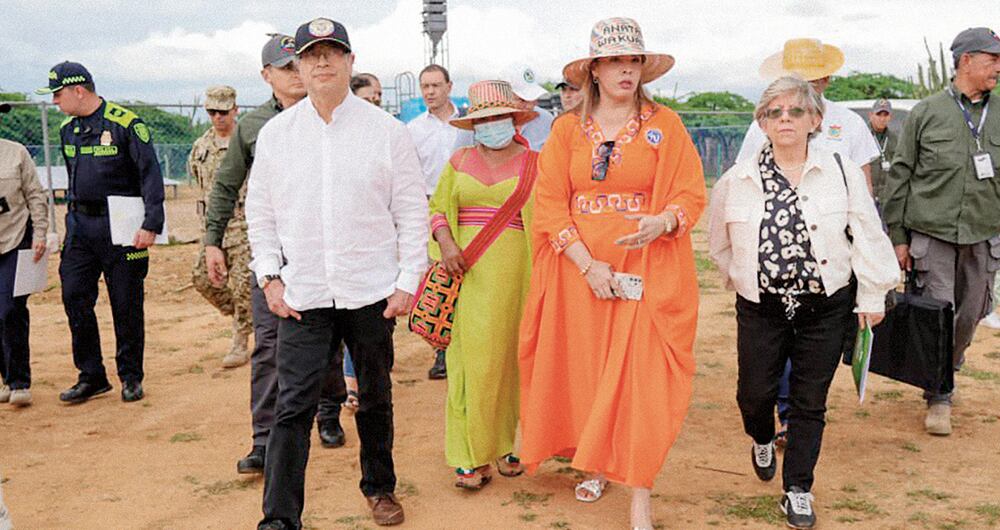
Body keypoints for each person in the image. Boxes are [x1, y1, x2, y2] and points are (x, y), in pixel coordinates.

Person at [518, 18, 706, 530]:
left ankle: (640, 493)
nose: (626, 70)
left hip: (646, 270)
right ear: (595, 70)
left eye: (633, 61)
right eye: (615, 61)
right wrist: (587, 265)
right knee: (590, 374)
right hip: (579, 274)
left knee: (641, 378)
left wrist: (664, 221)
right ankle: (597, 462)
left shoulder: (666, 125)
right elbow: (550, 204)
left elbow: (690, 192)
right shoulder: (565, 130)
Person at [246, 18, 427, 528]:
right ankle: (280, 517)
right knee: (292, 407)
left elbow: (411, 211)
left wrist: (407, 281)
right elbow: (261, 213)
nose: (321, 62)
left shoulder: (386, 133)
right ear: (299, 66)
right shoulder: (278, 135)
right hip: (302, 294)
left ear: (350, 61)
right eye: (311, 55)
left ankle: (380, 487)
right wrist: (269, 276)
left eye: (332, 52)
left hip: (370, 290)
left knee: (374, 397)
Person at [709, 75, 897, 529]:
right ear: (763, 123)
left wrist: (872, 294)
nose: (786, 119)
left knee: (810, 401)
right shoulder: (737, 180)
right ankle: (761, 437)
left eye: (796, 111)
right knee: (754, 394)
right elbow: (720, 245)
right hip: (762, 307)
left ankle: (798, 488)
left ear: (815, 119)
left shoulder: (840, 171)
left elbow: (867, 234)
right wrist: (744, 280)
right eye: (775, 113)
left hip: (825, 306)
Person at [203, 34, 349, 475]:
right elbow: (226, 185)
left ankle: (328, 412)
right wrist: (212, 240)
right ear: (267, 75)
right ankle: (263, 439)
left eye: (297, 64)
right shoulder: (253, 127)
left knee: (327, 340)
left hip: (324, 252)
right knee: (268, 345)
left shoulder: (338, 116)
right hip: (271, 255)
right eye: (285, 67)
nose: (295, 73)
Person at [736, 38, 882, 443]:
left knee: (813, 351)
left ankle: (798, 415)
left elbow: (864, 187)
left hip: (831, 260)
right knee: (771, 353)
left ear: (827, 80)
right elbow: (742, 182)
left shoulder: (850, 124)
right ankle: (782, 414)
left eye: (811, 80)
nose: (802, 87)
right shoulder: (767, 120)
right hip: (775, 265)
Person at [883, 27, 1000, 436]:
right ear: (966, 60)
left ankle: (947, 369)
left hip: (984, 232)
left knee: (972, 312)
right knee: (938, 313)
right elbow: (900, 175)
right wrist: (898, 237)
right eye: (992, 59)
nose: (998, 68)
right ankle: (939, 394)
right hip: (931, 233)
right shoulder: (926, 112)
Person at [428, 80, 538, 489]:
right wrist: (446, 243)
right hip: (466, 275)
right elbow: (437, 209)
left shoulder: (536, 164)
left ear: (513, 119)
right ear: (473, 125)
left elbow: (548, 221)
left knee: (510, 362)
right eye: (484, 120)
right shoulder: (458, 161)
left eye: (499, 117)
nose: (492, 125)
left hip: (518, 277)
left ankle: (505, 445)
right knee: (468, 364)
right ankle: (469, 455)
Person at [37, 61, 164, 404]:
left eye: (58, 94)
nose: (54, 101)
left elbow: (150, 175)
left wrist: (151, 223)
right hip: (80, 227)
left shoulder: (125, 124)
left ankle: (131, 376)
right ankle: (91, 375)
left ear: (79, 90)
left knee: (126, 302)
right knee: (74, 296)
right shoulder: (68, 129)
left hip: (121, 226)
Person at [407, 63, 473, 380]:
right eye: (425, 86)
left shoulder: (468, 126)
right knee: (438, 277)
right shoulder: (413, 131)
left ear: (449, 86)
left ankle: (467, 341)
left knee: (467, 272)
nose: (430, 92)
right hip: (429, 207)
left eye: (435, 85)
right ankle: (442, 349)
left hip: (468, 208)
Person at [189, 85, 251, 369]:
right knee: (202, 279)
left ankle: (241, 340)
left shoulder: (246, 142)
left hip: (243, 224)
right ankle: (247, 316)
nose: (218, 117)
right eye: (212, 112)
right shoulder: (201, 146)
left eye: (223, 112)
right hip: (213, 228)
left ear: (235, 110)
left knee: (243, 286)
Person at [0, 103, 52, 408]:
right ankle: (6, 378)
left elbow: (35, 195)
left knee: (11, 309)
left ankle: (20, 381)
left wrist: (41, 232)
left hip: (16, 238)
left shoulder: (16, 153)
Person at [500, 64, 555, 150]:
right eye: (522, 100)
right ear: (503, 97)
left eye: (534, 99)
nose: (530, 106)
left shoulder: (546, 120)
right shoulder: (489, 123)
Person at [868, 98, 898, 207]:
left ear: (890, 117)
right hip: (867, 196)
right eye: (878, 115)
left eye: (885, 115)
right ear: (871, 115)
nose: (882, 119)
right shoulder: (863, 135)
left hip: (887, 198)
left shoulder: (894, 139)